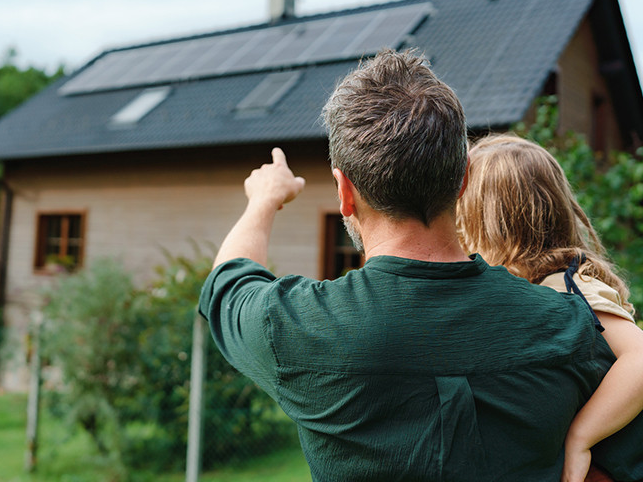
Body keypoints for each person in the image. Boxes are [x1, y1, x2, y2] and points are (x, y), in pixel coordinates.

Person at [198, 49, 620, 481]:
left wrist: (265, 199)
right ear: (463, 181)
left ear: (344, 192)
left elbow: (227, 280)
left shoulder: (295, 326)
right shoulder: (569, 324)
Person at [457, 134, 643, 482]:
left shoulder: (570, 286)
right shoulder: (531, 287)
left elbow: (641, 359)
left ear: (487, 223)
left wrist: (580, 438)